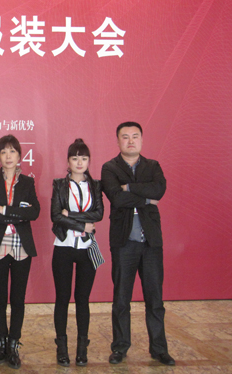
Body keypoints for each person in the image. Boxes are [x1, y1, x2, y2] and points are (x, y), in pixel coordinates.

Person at [101, 122, 175, 366]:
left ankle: (159, 349)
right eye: (125, 137)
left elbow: (159, 190)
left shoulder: (153, 166)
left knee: (155, 299)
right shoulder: (110, 167)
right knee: (121, 299)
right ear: (118, 141)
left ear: (142, 140)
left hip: (151, 242)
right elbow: (116, 198)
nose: (130, 141)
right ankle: (120, 347)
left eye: (135, 136)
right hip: (124, 243)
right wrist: (146, 199)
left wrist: (130, 187)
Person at [0, 134, 40, 369]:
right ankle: (2, 343)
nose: (8, 156)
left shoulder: (27, 182)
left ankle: (14, 345)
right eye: (3, 152)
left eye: (12, 151)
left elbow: (34, 212)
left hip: (21, 246)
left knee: (18, 298)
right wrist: (16, 214)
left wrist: (4, 210)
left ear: (19, 156)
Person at [50, 139, 103, 367]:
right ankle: (62, 348)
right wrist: (81, 225)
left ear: (89, 161)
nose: (79, 162)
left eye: (83, 158)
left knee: (83, 299)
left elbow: (99, 214)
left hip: (87, 249)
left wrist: (69, 215)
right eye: (75, 158)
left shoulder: (95, 185)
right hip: (63, 246)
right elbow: (55, 216)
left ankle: (82, 348)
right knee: (62, 298)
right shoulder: (59, 184)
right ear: (68, 161)